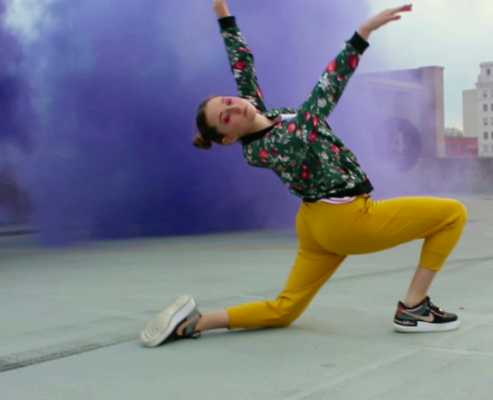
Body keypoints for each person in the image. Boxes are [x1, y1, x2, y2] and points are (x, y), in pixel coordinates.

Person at [140, 1, 468, 348]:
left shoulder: (259, 115)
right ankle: (414, 308)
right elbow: (323, 97)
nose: (234, 106)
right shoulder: (271, 145)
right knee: (452, 215)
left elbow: (241, 62)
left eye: (227, 100)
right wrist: (362, 34)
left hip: (314, 221)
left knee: (286, 310)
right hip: (345, 220)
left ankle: (197, 322)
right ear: (229, 137)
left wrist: (222, 11)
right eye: (225, 117)